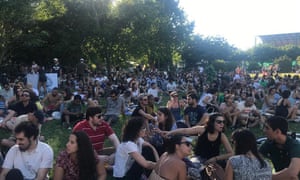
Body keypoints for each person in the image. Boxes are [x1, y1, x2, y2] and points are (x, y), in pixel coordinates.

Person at [167, 113, 233, 167]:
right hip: (199, 158)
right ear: (212, 122)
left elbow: (231, 153)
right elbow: (185, 131)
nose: (222, 124)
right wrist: (169, 133)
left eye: (223, 122)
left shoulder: (221, 136)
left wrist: (215, 158)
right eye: (219, 122)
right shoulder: (202, 130)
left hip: (213, 160)